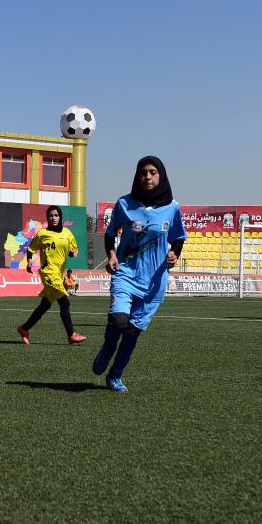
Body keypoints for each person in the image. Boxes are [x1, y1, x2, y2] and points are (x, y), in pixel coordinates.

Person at [91, 156, 186, 393]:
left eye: (153, 172)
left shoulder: (172, 207)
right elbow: (110, 233)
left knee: (133, 332)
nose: (148, 176)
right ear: (137, 176)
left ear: (161, 176)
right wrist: (112, 255)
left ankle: (115, 376)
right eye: (143, 172)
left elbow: (178, 238)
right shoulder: (125, 204)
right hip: (126, 273)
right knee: (120, 320)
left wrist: (174, 254)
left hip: (154, 282)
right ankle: (107, 348)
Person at [16, 206, 86, 345]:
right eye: (50, 216)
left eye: (55, 215)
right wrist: (29, 262)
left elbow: (75, 249)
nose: (53, 218)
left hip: (59, 274)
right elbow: (31, 248)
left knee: (45, 305)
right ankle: (71, 335)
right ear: (47, 218)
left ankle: (24, 328)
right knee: (64, 302)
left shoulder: (67, 233)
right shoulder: (42, 233)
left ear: (60, 217)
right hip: (48, 273)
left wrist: (73, 252)